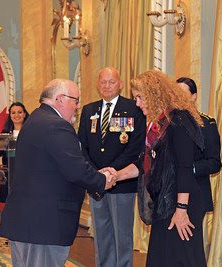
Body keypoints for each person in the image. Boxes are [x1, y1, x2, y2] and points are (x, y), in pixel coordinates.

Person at [0, 79, 116, 267]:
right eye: (75, 101)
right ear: (60, 99)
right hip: (44, 224)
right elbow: (75, 170)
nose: (77, 106)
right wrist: (103, 180)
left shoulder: (35, 120)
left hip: (27, 221)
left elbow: (54, 165)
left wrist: (94, 173)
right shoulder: (56, 125)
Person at [110, 70, 207, 266]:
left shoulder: (179, 119)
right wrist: (116, 176)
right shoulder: (159, 122)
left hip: (181, 202)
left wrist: (181, 209)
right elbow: (145, 163)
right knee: (161, 258)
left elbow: (184, 167)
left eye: (139, 97)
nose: (137, 103)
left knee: (181, 259)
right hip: (165, 201)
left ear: (154, 94)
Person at [78, 67, 146, 267]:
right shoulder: (89, 110)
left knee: (122, 235)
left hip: (122, 182)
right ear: (98, 84)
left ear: (121, 84)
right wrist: (96, 173)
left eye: (112, 82)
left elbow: (135, 147)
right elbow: (83, 145)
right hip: (97, 183)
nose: (107, 86)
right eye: (103, 82)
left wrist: (111, 171)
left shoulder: (134, 108)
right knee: (101, 233)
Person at [176, 77, 222, 214]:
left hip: (196, 192)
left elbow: (214, 163)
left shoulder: (206, 124)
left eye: (182, 94)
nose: (178, 98)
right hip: (171, 194)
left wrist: (190, 169)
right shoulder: (169, 122)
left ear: (193, 96)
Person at [0, 102, 29, 203]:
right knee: (11, 202)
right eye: (13, 113)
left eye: (20, 112)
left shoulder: (31, 131)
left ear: (25, 114)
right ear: (10, 115)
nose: (16, 115)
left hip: (27, 172)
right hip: (9, 172)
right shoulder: (5, 133)